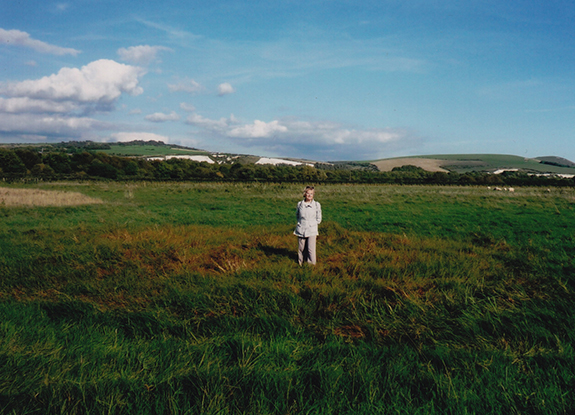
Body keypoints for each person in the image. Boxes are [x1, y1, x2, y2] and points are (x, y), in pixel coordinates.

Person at [294, 185, 322, 265]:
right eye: (308, 193)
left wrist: (312, 224)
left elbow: (318, 218)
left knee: (311, 249)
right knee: (301, 248)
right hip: (301, 228)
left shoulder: (316, 205)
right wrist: (301, 223)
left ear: (313, 195)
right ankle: (300, 263)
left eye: (311, 194)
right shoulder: (300, 204)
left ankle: (311, 265)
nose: (309, 195)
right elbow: (297, 215)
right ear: (305, 194)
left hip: (312, 229)